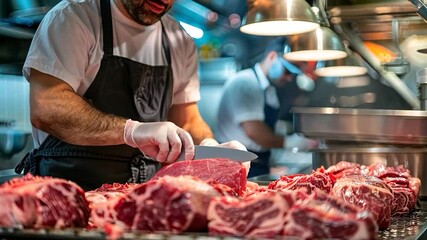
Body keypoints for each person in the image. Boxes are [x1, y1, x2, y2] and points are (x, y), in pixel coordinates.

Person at [16, 0, 243, 191]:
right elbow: (48, 107)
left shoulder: (179, 40)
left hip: (145, 201)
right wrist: (132, 131)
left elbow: (188, 119)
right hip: (69, 194)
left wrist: (212, 146)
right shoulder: (74, 17)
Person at [216, 37, 318, 178]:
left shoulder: (269, 89)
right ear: (272, 56)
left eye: (293, 75)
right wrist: (290, 142)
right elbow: (254, 131)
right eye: (287, 71)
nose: (289, 78)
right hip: (235, 166)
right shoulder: (245, 82)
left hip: (259, 164)